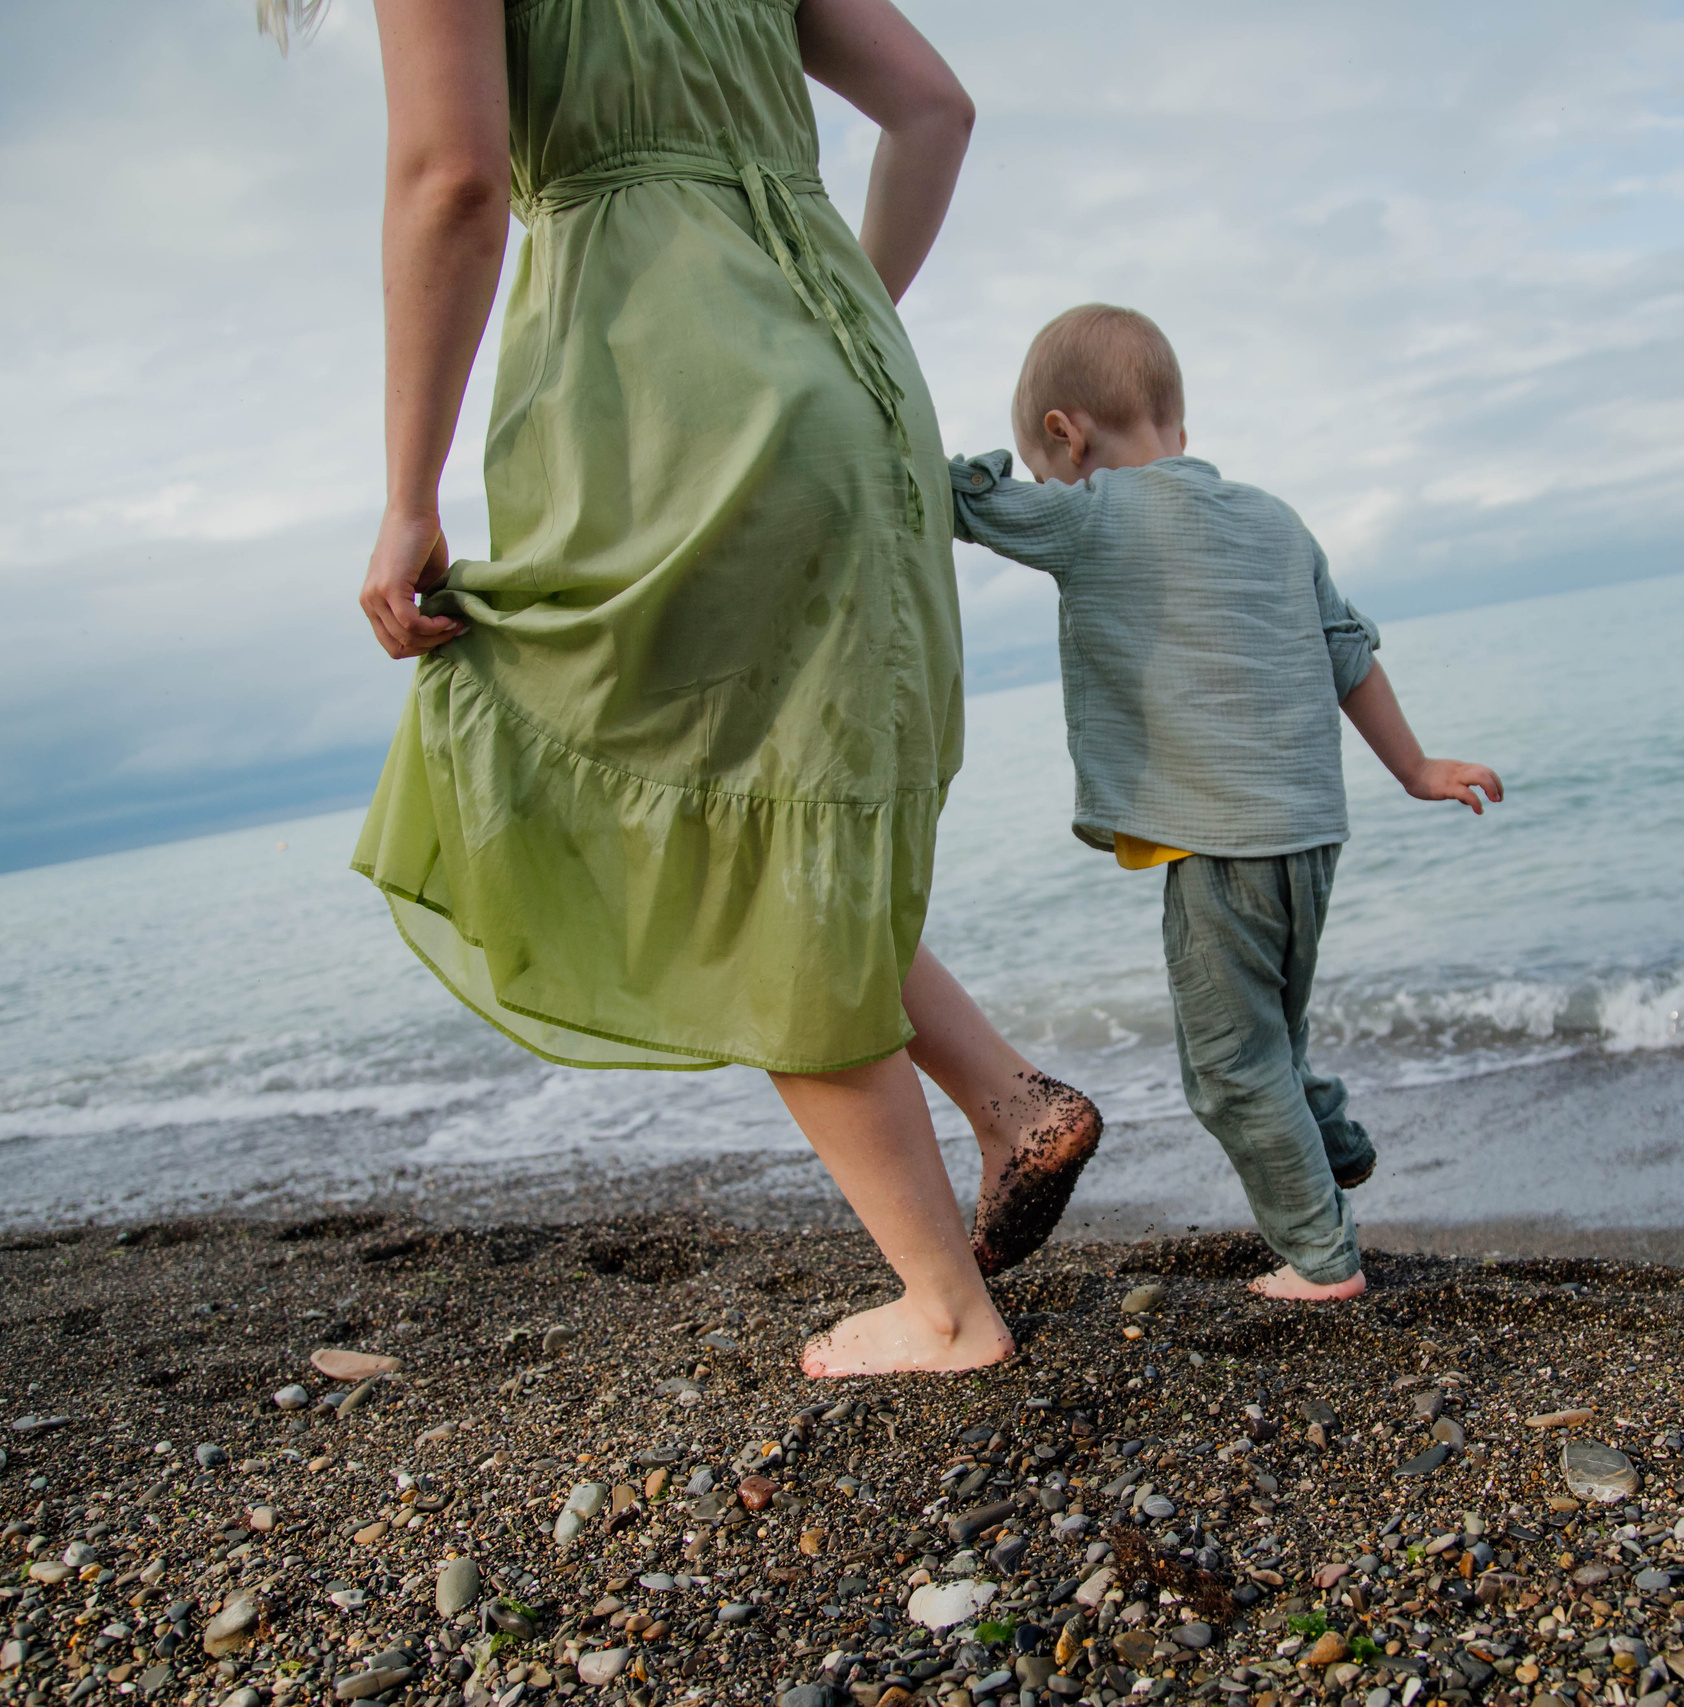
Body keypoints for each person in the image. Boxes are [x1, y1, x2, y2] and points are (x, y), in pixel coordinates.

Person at [270, 0, 1100, 1374]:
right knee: (776, 802)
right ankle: (1011, 1100)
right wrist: (824, 344)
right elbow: (935, 110)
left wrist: (407, 492)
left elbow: (455, 178)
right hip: (854, 375)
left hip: (662, 392)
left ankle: (947, 1309)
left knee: (716, 818)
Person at [947, 305, 1504, 1302]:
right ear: (1181, 432)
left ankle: (1321, 1258)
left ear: (1068, 437)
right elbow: (1348, 651)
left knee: (1228, 1071)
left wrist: (1000, 467)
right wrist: (1416, 769)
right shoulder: (1278, 521)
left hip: (1215, 845)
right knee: (1271, 1039)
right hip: (1311, 833)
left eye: (1048, 461)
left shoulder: (1090, 509)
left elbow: (956, 500)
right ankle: (1327, 1140)